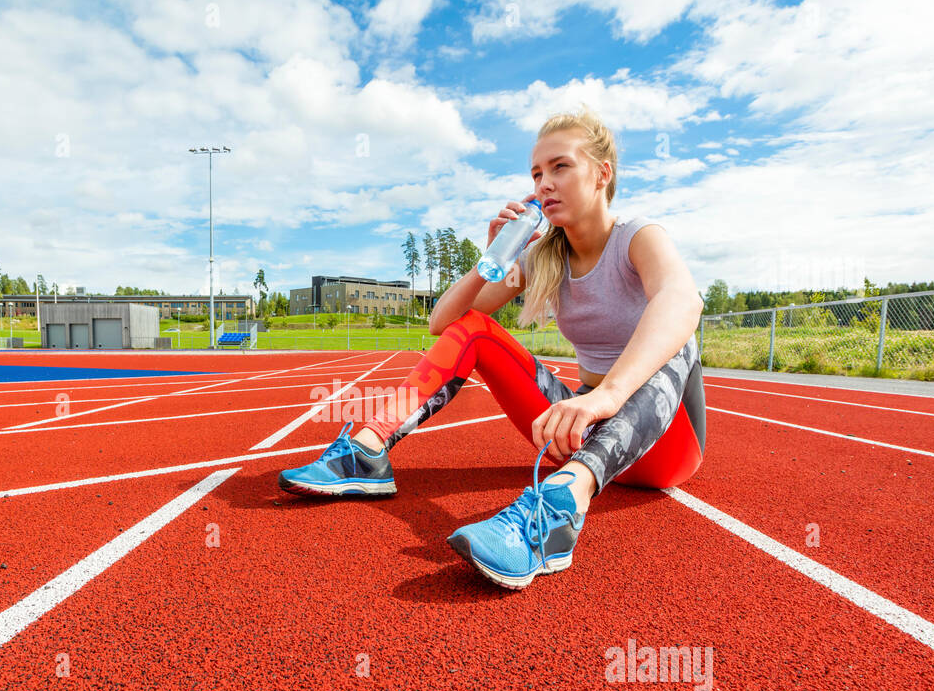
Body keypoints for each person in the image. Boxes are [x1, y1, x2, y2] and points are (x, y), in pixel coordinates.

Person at [278, 107, 706, 589]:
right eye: (537, 173)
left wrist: (607, 396)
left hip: (662, 445)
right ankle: (368, 451)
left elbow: (681, 298)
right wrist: (493, 259)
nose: (544, 183)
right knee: (476, 325)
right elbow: (446, 323)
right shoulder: (542, 255)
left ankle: (560, 507)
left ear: (602, 173)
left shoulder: (637, 237)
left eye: (560, 167)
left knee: (681, 333)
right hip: (579, 430)